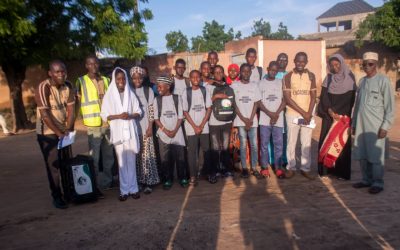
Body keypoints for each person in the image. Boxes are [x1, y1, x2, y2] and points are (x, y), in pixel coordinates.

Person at [352, 52, 395, 194]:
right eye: (364, 64)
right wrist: (354, 125)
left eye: (370, 64)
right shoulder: (362, 82)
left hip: (376, 127)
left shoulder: (384, 81)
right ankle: (366, 180)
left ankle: (378, 182)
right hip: (361, 126)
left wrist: (385, 126)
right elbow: (357, 105)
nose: (366, 67)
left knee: (375, 156)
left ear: (375, 64)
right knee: (362, 154)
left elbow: (390, 107)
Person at [35, 60, 75, 209]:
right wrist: (58, 133)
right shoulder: (43, 87)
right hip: (47, 133)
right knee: (54, 166)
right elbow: (45, 114)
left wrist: (68, 129)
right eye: (57, 72)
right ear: (50, 73)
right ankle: (57, 196)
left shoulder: (69, 86)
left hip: (63, 132)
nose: (61, 74)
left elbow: (71, 110)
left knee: (66, 162)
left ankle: (70, 192)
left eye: (63, 71)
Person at [101, 67, 141, 201]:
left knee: (131, 161)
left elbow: (138, 111)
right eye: (118, 78)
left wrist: (130, 115)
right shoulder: (109, 95)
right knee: (122, 162)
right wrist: (119, 116)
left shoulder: (131, 93)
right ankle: (124, 191)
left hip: (130, 130)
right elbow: (104, 115)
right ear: (114, 79)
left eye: (123, 78)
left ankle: (134, 189)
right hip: (118, 133)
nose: (121, 81)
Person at [76, 55, 114, 196]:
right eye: (90, 64)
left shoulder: (105, 80)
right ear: (86, 65)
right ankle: (95, 184)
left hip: (107, 123)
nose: (94, 66)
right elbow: (76, 101)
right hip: (93, 125)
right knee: (95, 157)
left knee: (109, 156)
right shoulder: (81, 81)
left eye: (96, 63)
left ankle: (107, 183)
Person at [317, 54, 356, 180]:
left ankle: (341, 172)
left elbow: (351, 99)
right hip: (329, 116)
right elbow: (324, 97)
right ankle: (325, 170)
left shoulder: (350, 77)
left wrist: (341, 116)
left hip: (343, 118)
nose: (335, 68)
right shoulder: (328, 78)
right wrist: (330, 111)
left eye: (337, 64)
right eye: (332, 65)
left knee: (341, 144)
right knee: (326, 141)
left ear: (342, 64)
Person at [283, 52, 316, 180]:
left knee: (306, 142)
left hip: (308, 114)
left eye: (303, 61)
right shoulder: (288, 76)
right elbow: (287, 98)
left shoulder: (311, 76)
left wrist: (309, 113)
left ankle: (305, 168)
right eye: (298, 61)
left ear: (306, 62)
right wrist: (304, 113)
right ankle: (291, 168)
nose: (300, 64)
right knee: (291, 142)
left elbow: (313, 96)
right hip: (292, 114)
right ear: (294, 61)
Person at [153, 76, 188, 190]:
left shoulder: (177, 98)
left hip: (177, 132)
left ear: (168, 86)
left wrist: (174, 130)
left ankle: (182, 178)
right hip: (163, 134)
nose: (158, 88)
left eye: (160, 85)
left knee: (180, 157)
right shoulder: (157, 100)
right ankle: (167, 179)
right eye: (158, 85)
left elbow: (180, 117)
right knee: (165, 159)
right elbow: (156, 119)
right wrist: (166, 130)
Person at [130, 66, 160, 194]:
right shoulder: (129, 92)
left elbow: (151, 111)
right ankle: (139, 182)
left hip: (146, 129)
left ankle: (149, 182)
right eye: (135, 78)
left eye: (140, 77)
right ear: (131, 78)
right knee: (137, 157)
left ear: (143, 78)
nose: (137, 80)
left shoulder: (148, 91)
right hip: (133, 130)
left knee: (147, 156)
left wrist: (149, 127)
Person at [182, 70, 212, 185]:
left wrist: (202, 125)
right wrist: (195, 126)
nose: (195, 79)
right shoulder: (186, 92)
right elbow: (185, 111)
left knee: (206, 151)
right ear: (189, 79)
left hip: (204, 127)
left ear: (200, 78)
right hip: (191, 128)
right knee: (192, 153)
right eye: (193, 77)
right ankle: (193, 176)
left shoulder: (204, 90)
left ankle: (206, 173)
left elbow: (208, 108)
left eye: (197, 77)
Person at [231, 63, 262, 178]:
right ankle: (244, 168)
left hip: (252, 121)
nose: (246, 73)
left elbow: (256, 103)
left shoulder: (254, 86)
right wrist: (244, 119)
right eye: (243, 71)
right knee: (243, 145)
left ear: (250, 73)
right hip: (240, 120)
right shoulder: (235, 85)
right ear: (240, 72)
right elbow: (234, 104)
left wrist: (250, 119)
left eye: (248, 71)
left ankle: (254, 167)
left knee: (254, 145)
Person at [206, 65, 236, 179]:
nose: (218, 74)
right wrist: (216, 96)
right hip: (213, 122)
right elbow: (206, 103)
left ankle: (226, 169)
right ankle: (216, 170)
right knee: (215, 148)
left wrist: (232, 119)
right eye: (216, 72)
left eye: (221, 72)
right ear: (213, 74)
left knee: (225, 147)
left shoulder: (229, 87)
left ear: (223, 73)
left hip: (226, 121)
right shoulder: (209, 87)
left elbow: (233, 104)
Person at [258, 61, 286, 178]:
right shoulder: (261, 83)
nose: (273, 72)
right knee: (264, 144)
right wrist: (270, 114)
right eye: (271, 70)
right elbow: (258, 102)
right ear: (268, 69)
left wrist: (276, 114)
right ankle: (264, 167)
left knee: (278, 144)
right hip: (264, 119)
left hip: (278, 119)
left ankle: (278, 168)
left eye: (275, 70)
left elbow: (285, 100)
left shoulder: (280, 83)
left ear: (278, 71)